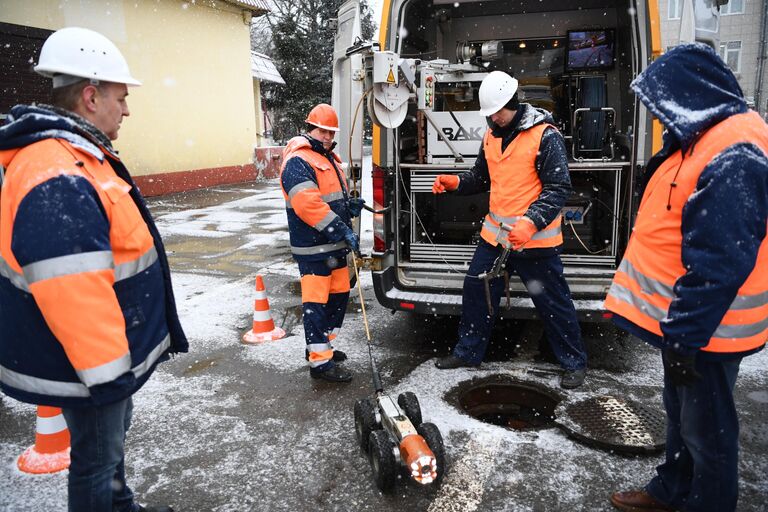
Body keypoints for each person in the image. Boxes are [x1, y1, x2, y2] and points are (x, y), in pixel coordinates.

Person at [0, 27, 187, 512]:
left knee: (105, 458)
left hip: (92, 358)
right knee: (97, 462)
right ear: (90, 95)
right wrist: (108, 379)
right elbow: (72, 288)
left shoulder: (76, 157)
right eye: (121, 98)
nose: (127, 109)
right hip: (90, 364)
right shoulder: (57, 171)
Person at [605, 43, 768, 512]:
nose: (657, 117)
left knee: (708, 433)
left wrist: (686, 336)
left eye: (661, 105)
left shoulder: (736, 152)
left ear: (690, 95)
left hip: (709, 331)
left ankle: (705, 502)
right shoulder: (702, 138)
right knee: (684, 419)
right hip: (689, 326)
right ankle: (671, 490)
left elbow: (721, 261)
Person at [432, 70, 588, 389]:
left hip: (535, 243)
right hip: (495, 239)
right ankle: (468, 352)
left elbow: (558, 187)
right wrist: (456, 182)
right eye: (488, 115)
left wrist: (530, 223)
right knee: (476, 290)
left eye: (497, 113)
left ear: (513, 104)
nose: (492, 119)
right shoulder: (491, 135)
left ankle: (573, 363)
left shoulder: (545, 135)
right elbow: (481, 177)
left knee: (553, 302)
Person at [280, 103, 363, 383]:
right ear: (310, 128)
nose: (327, 136)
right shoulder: (298, 160)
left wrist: (348, 206)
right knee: (317, 303)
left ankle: (323, 348)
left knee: (338, 297)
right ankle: (319, 364)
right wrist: (341, 228)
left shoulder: (327, 158)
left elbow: (329, 198)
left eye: (330, 132)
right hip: (313, 249)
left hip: (333, 247)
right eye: (322, 130)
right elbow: (307, 205)